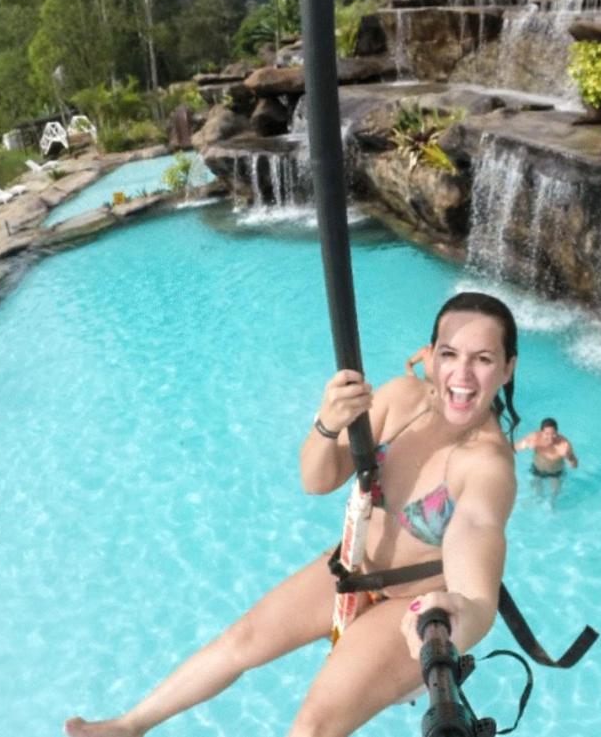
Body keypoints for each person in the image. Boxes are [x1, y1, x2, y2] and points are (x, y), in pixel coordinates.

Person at [64, 291, 521, 737]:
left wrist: (461, 611)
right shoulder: (401, 399)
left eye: (482, 359)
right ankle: (129, 726)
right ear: (429, 356)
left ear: (507, 369)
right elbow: (318, 480)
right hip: (353, 566)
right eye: (450, 353)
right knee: (240, 642)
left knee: (311, 729)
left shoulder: (485, 465)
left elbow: (477, 571)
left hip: (409, 606)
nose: (462, 374)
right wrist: (327, 423)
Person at [514, 418, 578, 509]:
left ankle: (551, 505)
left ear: (557, 432)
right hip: (537, 470)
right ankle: (538, 500)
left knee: (555, 493)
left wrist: (569, 457)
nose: (550, 437)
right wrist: (525, 444)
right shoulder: (534, 438)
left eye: (553, 434)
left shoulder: (564, 445)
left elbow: (575, 465)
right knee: (537, 492)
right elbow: (513, 448)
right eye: (547, 434)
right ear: (541, 432)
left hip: (556, 473)